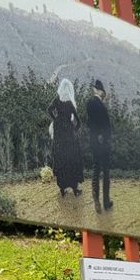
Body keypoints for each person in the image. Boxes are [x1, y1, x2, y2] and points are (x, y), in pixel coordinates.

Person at [47, 78, 84, 197]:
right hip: (68, 133)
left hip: (58, 133)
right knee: (71, 158)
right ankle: (74, 188)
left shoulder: (57, 100)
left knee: (60, 157)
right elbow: (78, 122)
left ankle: (62, 188)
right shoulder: (69, 103)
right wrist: (74, 131)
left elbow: (49, 109)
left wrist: (56, 120)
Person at [86, 79, 113, 210]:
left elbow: (89, 124)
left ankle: (96, 202)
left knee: (96, 170)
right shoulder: (101, 106)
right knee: (106, 172)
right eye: (102, 91)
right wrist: (105, 137)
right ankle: (106, 202)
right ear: (100, 91)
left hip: (94, 142)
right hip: (104, 144)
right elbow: (107, 127)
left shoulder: (90, 104)